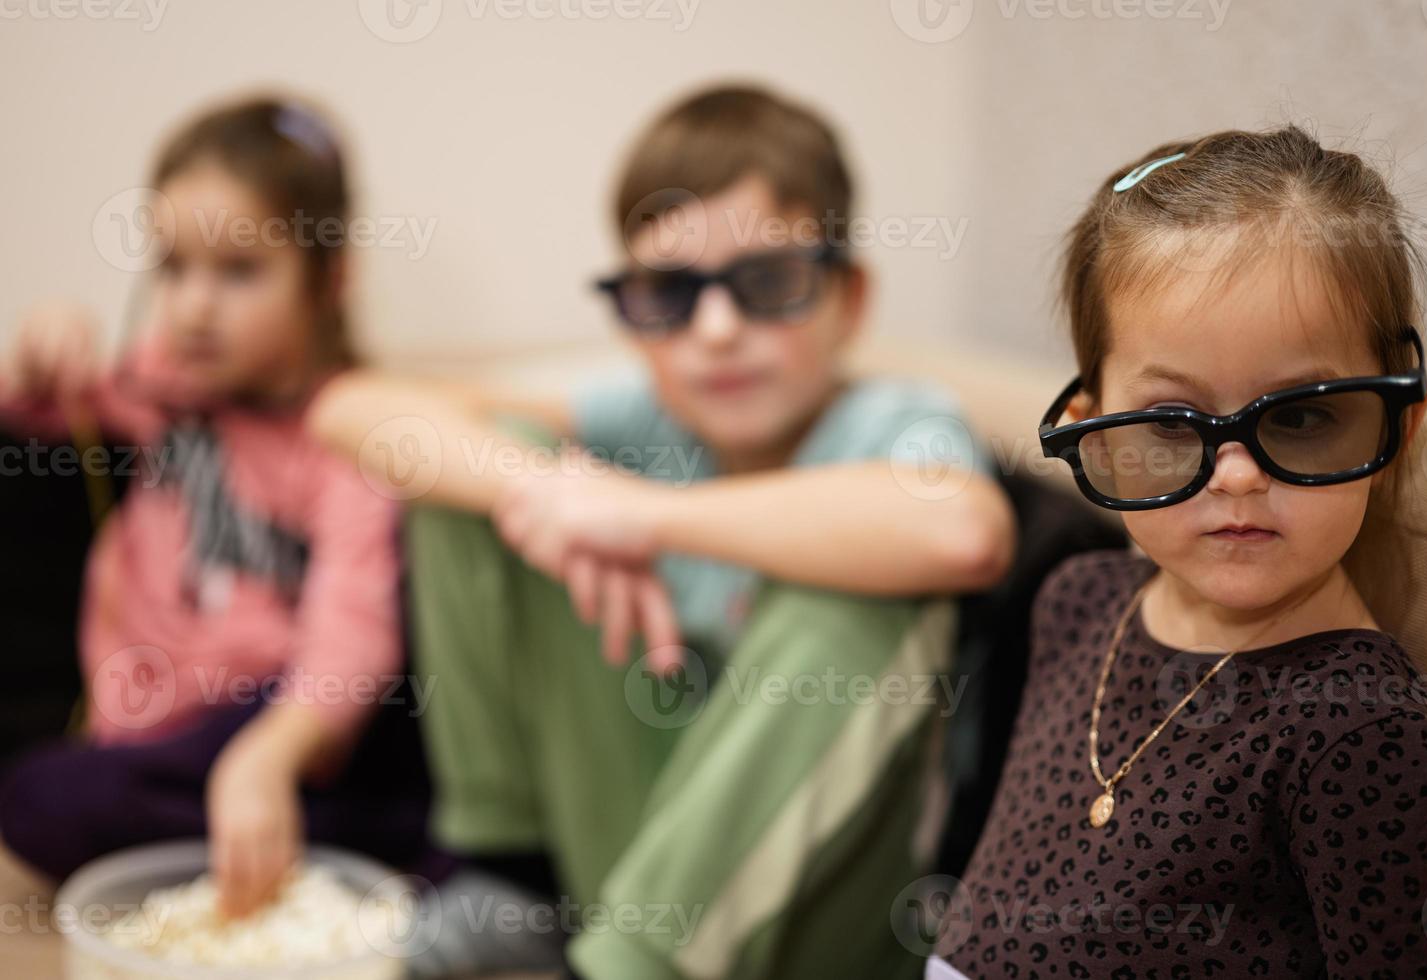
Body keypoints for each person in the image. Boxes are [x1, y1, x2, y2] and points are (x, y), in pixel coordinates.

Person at [311, 85, 1017, 978]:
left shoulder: (892, 421)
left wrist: (637, 515)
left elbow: (963, 533)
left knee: (858, 592)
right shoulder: (646, 416)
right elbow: (355, 408)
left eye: (768, 283)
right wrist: (549, 492)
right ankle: (513, 878)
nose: (716, 331)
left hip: (830, 912)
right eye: (669, 296)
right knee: (483, 469)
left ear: (850, 298)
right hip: (629, 866)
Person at [931, 125, 1427, 978]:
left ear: (1396, 424)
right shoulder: (1075, 598)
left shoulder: (1357, 724)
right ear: (1090, 433)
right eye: (1172, 425)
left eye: (1299, 416)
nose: (1239, 476)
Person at [0, 95, 428, 918]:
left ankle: (360, 834)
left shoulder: (349, 431)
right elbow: (44, 417)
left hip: (286, 726)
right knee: (43, 796)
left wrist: (269, 755)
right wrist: (43, 347)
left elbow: (354, 632)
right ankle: (320, 848)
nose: (194, 305)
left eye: (237, 271)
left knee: (47, 799)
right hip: (158, 739)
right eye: (173, 267)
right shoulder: (162, 388)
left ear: (330, 278)